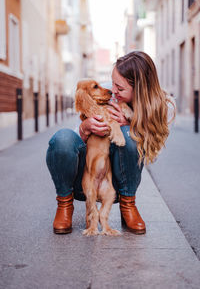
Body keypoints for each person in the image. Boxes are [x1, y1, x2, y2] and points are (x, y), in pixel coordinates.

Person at [46, 51, 176, 235]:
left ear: (139, 89)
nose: (112, 90)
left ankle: (128, 204)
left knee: (129, 136)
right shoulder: (105, 92)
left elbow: (151, 150)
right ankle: (64, 204)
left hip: (116, 181)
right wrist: (84, 128)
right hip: (86, 176)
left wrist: (131, 124)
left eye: (120, 88)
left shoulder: (164, 108)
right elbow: (73, 145)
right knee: (62, 138)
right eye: (112, 82)